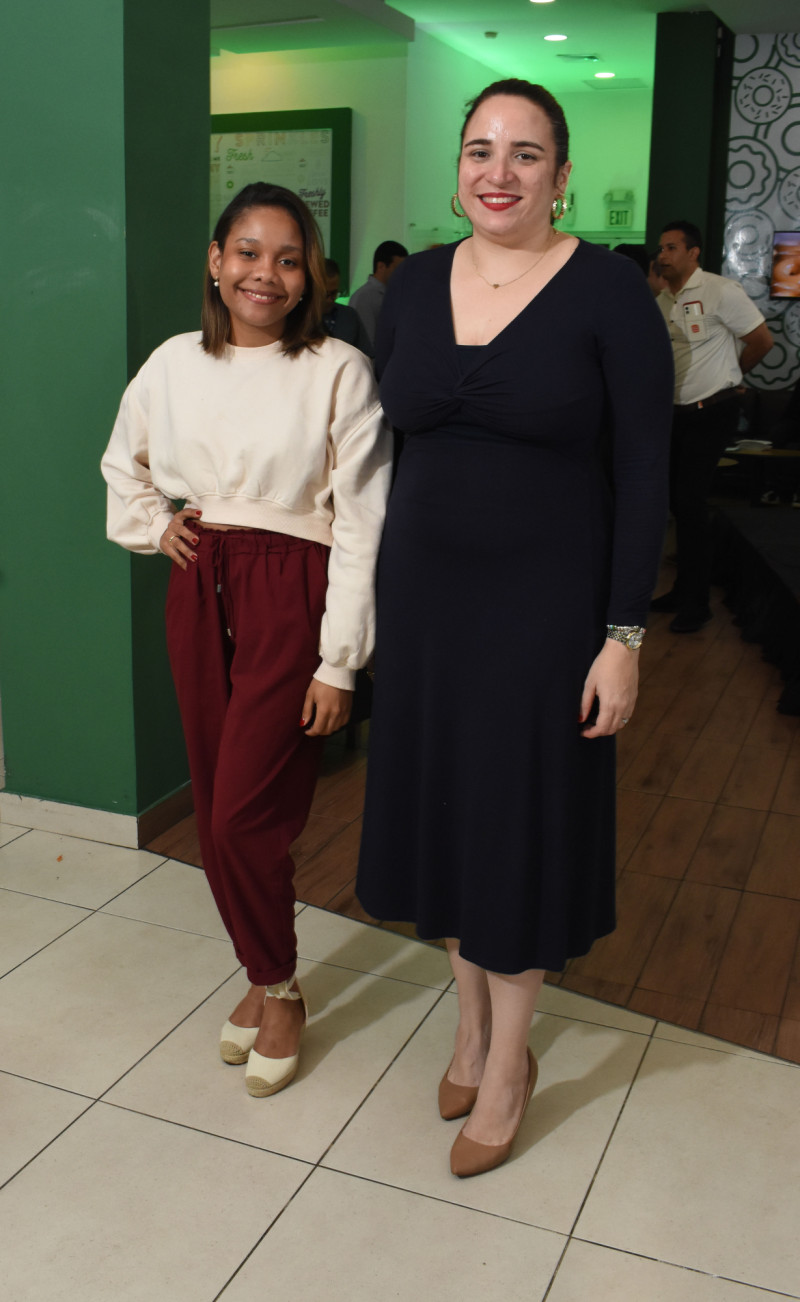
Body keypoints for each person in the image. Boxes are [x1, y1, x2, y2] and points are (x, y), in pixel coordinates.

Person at [356, 79, 673, 1178]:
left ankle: (509, 1063)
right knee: (446, 817)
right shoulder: (414, 288)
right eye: (479, 148)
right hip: (427, 613)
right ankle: (467, 1023)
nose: (498, 172)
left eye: (525, 154)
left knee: (517, 828)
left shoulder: (605, 295)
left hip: (545, 619)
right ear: (456, 166)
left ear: (561, 174)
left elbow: (642, 473)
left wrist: (621, 637)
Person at [102, 183, 391, 1099]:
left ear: (310, 278)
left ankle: (278, 990)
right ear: (216, 262)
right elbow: (123, 465)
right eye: (249, 253)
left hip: (290, 592)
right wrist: (156, 528)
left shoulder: (339, 369)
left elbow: (362, 523)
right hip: (201, 585)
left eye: (289, 258)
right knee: (214, 797)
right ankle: (270, 975)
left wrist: (339, 658)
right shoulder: (171, 363)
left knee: (242, 816)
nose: (266, 273)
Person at [652, 220, 774, 632]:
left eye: (670, 248)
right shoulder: (664, 299)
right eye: (661, 249)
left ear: (693, 252)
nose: (662, 255)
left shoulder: (720, 291)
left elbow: (762, 341)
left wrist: (733, 379)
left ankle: (697, 603)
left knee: (690, 502)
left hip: (712, 409)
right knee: (679, 505)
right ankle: (684, 590)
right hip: (677, 413)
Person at [348, 239, 408, 349]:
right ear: (381, 266)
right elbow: (366, 344)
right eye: (398, 269)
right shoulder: (365, 297)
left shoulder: (395, 294)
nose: (402, 274)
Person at [321, 257, 372, 355]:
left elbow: (366, 355)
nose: (330, 299)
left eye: (334, 293)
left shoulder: (349, 316)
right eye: (325, 294)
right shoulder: (298, 318)